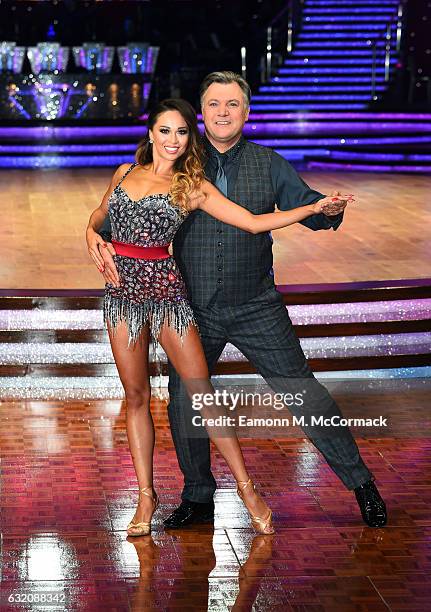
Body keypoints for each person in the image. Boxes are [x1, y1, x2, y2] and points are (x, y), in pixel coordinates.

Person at [89, 71, 387, 531]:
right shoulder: (180, 159)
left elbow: (297, 210)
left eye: (232, 104)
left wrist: (325, 208)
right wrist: (94, 236)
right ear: (200, 114)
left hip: (256, 304)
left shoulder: (269, 163)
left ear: (247, 113)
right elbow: (120, 217)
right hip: (190, 304)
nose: (223, 112)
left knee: (304, 393)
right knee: (185, 400)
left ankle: (360, 482)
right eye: (213, 104)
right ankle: (198, 496)